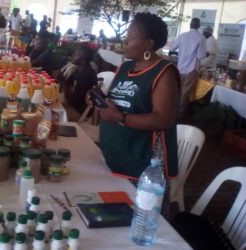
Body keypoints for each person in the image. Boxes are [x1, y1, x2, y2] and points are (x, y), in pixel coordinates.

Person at [96, 13, 180, 216]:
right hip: (115, 156)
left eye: (131, 35)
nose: (125, 40)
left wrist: (120, 118)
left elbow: (163, 119)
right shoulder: (125, 67)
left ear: (148, 44)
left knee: (136, 221)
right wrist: (100, 102)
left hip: (143, 167)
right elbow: (119, 102)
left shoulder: (164, 72)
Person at [169, 18, 206, 116]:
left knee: (178, 90)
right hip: (192, 69)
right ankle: (180, 114)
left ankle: (172, 110)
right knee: (185, 92)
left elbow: (172, 48)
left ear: (190, 25)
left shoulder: (182, 36)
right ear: (199, 26)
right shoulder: (201, 38)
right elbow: (200, 56)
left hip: (180, 67)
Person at [61, 46, 97, 116]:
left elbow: (72, 100)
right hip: (73, 104)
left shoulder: (87, 75)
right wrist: (61, 79)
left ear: (82, 61)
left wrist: (62, 81)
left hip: (79, 111)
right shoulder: (78, 70)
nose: (73, 55)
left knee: (51, 113)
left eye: (76, 55)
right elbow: (67, 83)